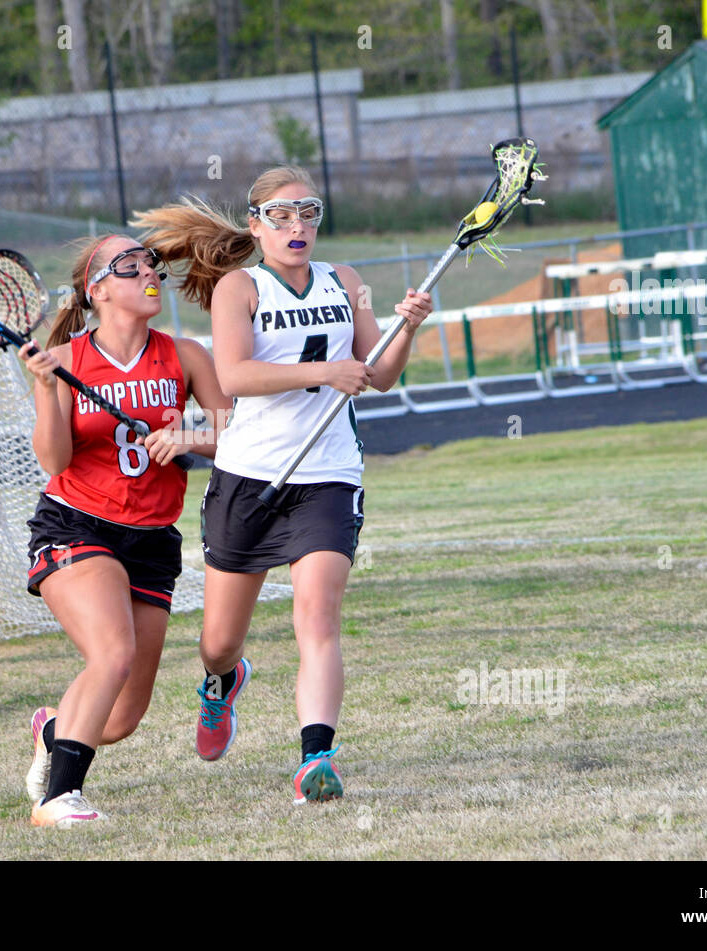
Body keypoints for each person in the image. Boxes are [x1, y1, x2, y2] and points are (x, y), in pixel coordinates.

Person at [133, 166, 432, 804]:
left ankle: (315, 757)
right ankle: (221, 684)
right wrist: (327, 370)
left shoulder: (347, 282)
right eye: (282, 215)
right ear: (256, 224)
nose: (298, 227)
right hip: (249, 475)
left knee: (317, 614)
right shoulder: (238, 288)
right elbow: (235, 377)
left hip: (327, 474)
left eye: (309, 212)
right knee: (218, 641)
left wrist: (407, 327)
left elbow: (378, 376)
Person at [19, 234, 230, 828]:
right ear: (98, 290)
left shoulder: (185, 355)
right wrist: (45, 387)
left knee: (119, 719)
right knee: (112, 654)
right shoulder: (62, 360)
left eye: (151, 263)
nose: (148, 272)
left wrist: (188, 438)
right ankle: (59, 800)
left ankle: (53, 729)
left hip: (153, 538)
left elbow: (234, 430)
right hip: (77, 523)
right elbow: (55, 461)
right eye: (129, 266)